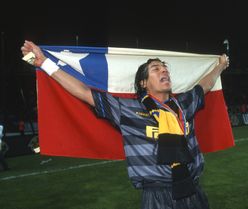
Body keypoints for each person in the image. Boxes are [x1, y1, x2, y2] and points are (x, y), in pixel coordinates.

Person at [21, 40, 229, 209]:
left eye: (165, 68)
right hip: (156, 196)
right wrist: (44, 63)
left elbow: (206, 84)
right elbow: (84, 92)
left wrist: (220, 65)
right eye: (156, 69)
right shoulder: (127, 109)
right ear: (143, 83)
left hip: (193, 191)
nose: (164, 71)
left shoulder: (184, 104)